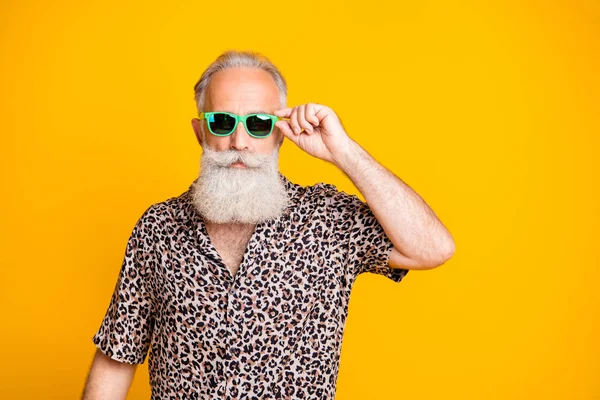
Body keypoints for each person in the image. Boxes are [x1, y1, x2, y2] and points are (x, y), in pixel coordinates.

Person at [82, 50, 455, 399]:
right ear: (201, 132)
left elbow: (432, 248)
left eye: (259, 123)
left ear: (280, 131)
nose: (239, 141)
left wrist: (343, 151)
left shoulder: (326, 219)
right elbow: (118, 355)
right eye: (223, 121)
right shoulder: (158, 228)